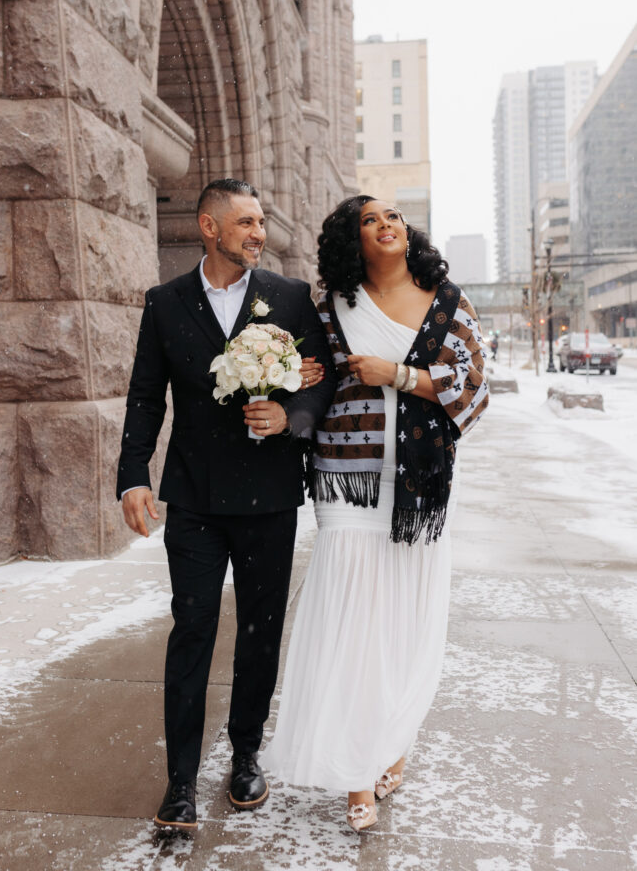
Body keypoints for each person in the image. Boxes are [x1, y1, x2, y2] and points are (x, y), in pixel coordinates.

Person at [262, 195, 489, 832]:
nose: (387, 224)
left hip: (419, 484)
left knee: (405, 623)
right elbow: (317, 385)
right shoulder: (333, 307)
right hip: (347, 482)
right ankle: (357, 773)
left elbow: (474, 392)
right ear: (351, 240)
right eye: (370, 220)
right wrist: (295, 379)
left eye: (392, 216)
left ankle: (392, 737)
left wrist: (402, 375)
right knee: (353, 622)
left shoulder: (447, 301)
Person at [116, 178, 334, 832]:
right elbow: (145, 396)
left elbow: (321, 388)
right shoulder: (164, 303)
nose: (258, 233)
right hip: (194, 499)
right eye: (244, 222)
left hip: (269, 498)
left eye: (260, 222)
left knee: (260, 635)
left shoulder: (291, 299)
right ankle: (179, 781)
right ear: (208, 228)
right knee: (192, 630)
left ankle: (244, 756)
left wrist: (289, 416)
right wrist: (133, 476)